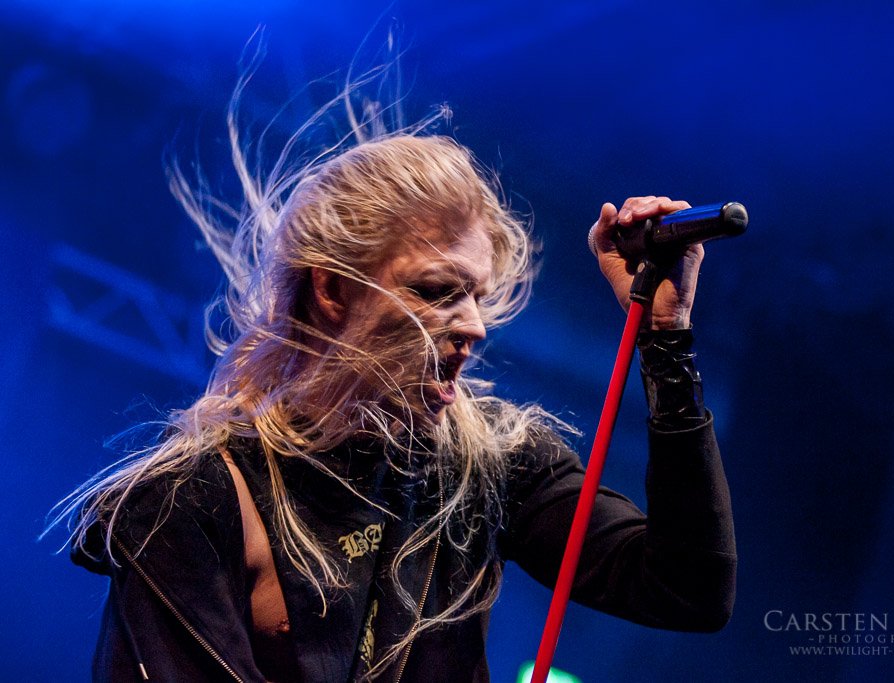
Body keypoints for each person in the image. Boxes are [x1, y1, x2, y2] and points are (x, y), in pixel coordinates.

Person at [53, 73, 736, 683]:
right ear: (332, 290)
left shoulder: (496, 461)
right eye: (437, 291)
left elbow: (689, 589)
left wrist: (665, 339)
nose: (475, 326)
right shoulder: (193, 501)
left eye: (476, 295)